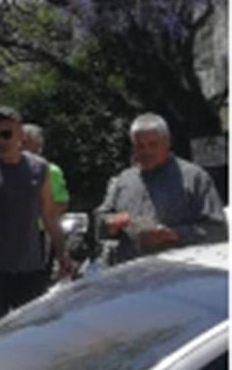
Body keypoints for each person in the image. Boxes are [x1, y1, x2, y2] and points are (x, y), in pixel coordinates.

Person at [0, 107, 72, 325]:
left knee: (28, 331)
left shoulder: (39, 169)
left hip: (30, 268)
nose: (0, 141)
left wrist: (63, 252)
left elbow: (49, 216)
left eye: (6, 134)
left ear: (20, 134)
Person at [95, 113, 227, 263]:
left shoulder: (194, 178)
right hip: (131, 275)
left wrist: (172, 234)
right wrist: (109, 223)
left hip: (179, 275)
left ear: (167, 143)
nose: (146, 152)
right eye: (140, 146)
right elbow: (100, 226)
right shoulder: (125, 180)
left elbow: (219, 232)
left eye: (153, 144)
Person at [21, 123, 69, 277]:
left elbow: (62, 203)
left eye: (25, 144)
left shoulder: (50, 171)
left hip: (39, 234)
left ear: (38, 147)